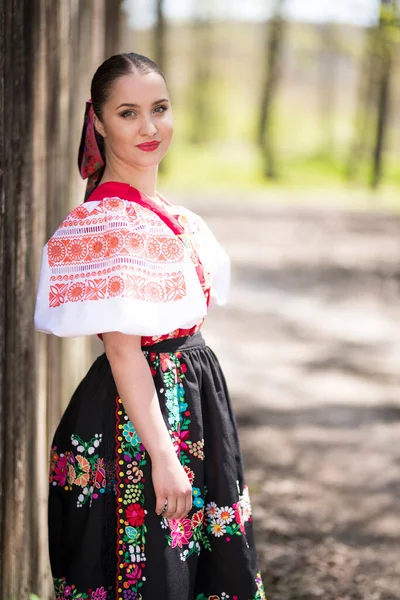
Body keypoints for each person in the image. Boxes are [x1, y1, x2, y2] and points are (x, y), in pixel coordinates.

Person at [34, 52, 266, 600]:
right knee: (152, 575)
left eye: (159, 109)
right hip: (139, 425)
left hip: (194, 407)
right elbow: (124, 352)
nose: (149, 127)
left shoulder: (174, 215)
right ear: (98, 120)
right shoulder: (106, 222)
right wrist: (164, 457)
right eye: (128, 113)